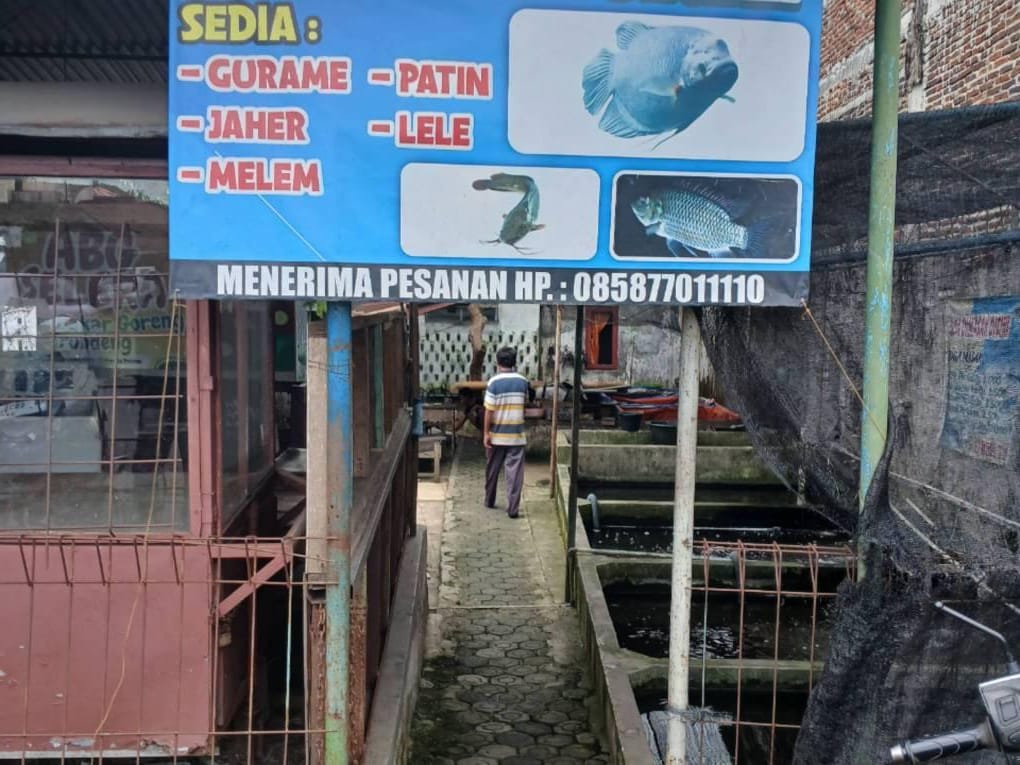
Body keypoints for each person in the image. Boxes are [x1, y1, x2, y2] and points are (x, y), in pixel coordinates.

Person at [483, 346, 530, 518]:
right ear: (514, 362)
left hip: (496, 435)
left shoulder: (493, 383)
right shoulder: (523, 382)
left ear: (497, 362)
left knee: (492, 469)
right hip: (516, 436)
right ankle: (513, 509)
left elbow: (489, 411)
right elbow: (524, 405)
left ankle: (489, 500)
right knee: (515, 474)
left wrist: (486, 433)